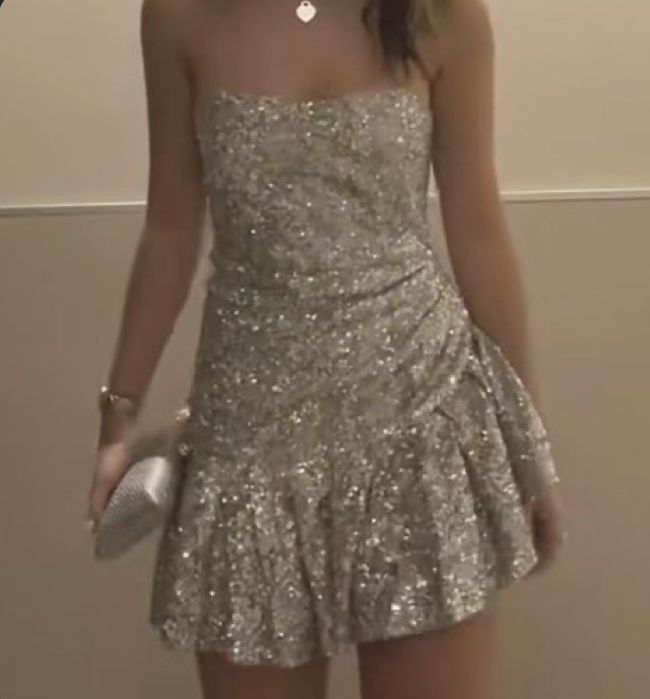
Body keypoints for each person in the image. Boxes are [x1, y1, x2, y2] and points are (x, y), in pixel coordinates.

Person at [86, 0, 568, 697]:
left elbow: (478, 227)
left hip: (421, 422)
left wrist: (530, 450)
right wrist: (118, 416)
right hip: (248, 439)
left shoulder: (443, 11)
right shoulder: (179, 13)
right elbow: (170, 227)